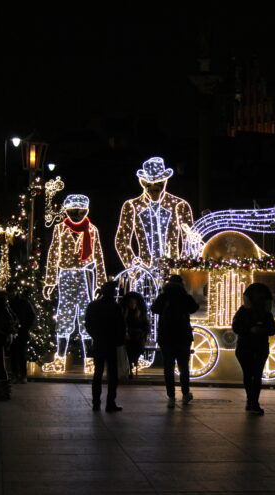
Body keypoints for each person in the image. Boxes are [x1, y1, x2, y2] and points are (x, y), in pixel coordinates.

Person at [41, 194, 108, 374]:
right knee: (64, 315)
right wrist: (50, 281)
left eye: (80, 212)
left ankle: (90, 360)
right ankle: (59, 359)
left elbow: (99, 257)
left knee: (87, 317)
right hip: (66, 275)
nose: (76, 215)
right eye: (72, 211)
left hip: (85, 275)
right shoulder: (60, 229)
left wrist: (100, 284)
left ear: (86, 211)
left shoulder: (92, 230)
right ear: (66, 211)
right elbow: (53, 254)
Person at [115, 157, 194, 270]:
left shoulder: (179, 205)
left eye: (158, 183)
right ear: (143, 183)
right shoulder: (132, 206)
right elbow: (122, 241)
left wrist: (181, 267)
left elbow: (190, 240)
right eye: (149, 184)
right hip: (144, 270)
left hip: (172, 270)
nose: (153, 188)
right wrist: (134, 267)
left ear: (165, 181)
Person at [151, 274, 199, 408]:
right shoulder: (185, 296)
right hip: (183, 337)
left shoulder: (164, 296)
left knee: (168, 367)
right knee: (183, 367)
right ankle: (185, 394)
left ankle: (171, 396)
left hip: (166, 337)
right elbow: (194, 308)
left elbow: (154, 308)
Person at [232, 283, 275, 415]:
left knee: (253, 375)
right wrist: (252, 330)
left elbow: (273, 329)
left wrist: (260, 330)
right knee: (253, 375)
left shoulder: (248, 311)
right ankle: (253, 401)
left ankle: (252, 401)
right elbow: (236, 327)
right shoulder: (263, 313)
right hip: (251, 347)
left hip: (251, 347)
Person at [85, 281, 126, 412]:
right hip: (111, 343)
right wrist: (119, 340)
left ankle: (96, 403)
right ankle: (110, 403)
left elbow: (88, 324)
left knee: (98, 373)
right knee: (112, 374)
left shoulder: (93, 305)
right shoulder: (115, 307)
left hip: (98, 342)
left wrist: (95, 335)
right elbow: (121, 325)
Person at [8, 283, 36, 384]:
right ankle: (15, 374)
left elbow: (31, 315)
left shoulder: (24, 302)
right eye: (10, 292)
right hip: (11, 332)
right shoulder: (7, 303)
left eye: (12, 291)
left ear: (16, 291)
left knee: (21, 353)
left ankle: (23, 375)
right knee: (13, 354)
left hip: (22, 331)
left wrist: (25, 327)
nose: (11, 293)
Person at [121, 291, 149, 377]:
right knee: (128, 348)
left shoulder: (140, 314)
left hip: (138, 336)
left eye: (134, 303)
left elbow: (145, 325)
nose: (132, 305)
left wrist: (143, 334)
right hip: (127, 336)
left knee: (137, 346)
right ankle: (130, 365)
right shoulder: (125, 314)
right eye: (131, 303)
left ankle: (134, 361)